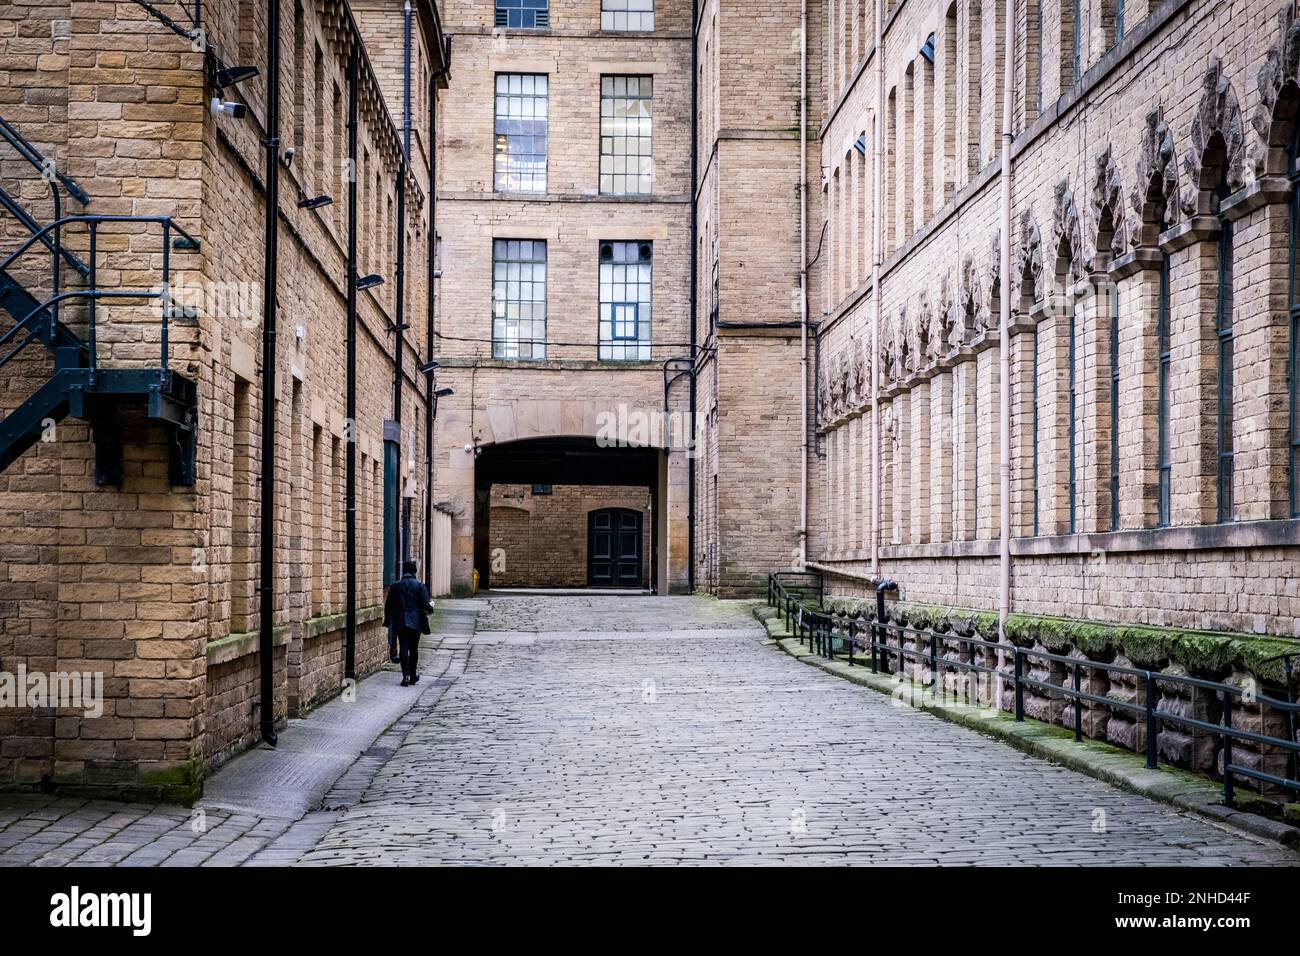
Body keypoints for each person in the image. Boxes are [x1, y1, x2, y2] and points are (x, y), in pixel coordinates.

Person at [382, 560, 434, 687]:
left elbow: (388, 605)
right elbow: (426, 605)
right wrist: (431, 608)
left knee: (403, 647)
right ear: (414, 571)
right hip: (416, 621)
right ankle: (413, 675)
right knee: (414, 648)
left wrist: (388, 619)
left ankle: (405, 675)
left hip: (400, 621)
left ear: (403, 571)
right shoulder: (420, 586)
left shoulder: (395, 586)